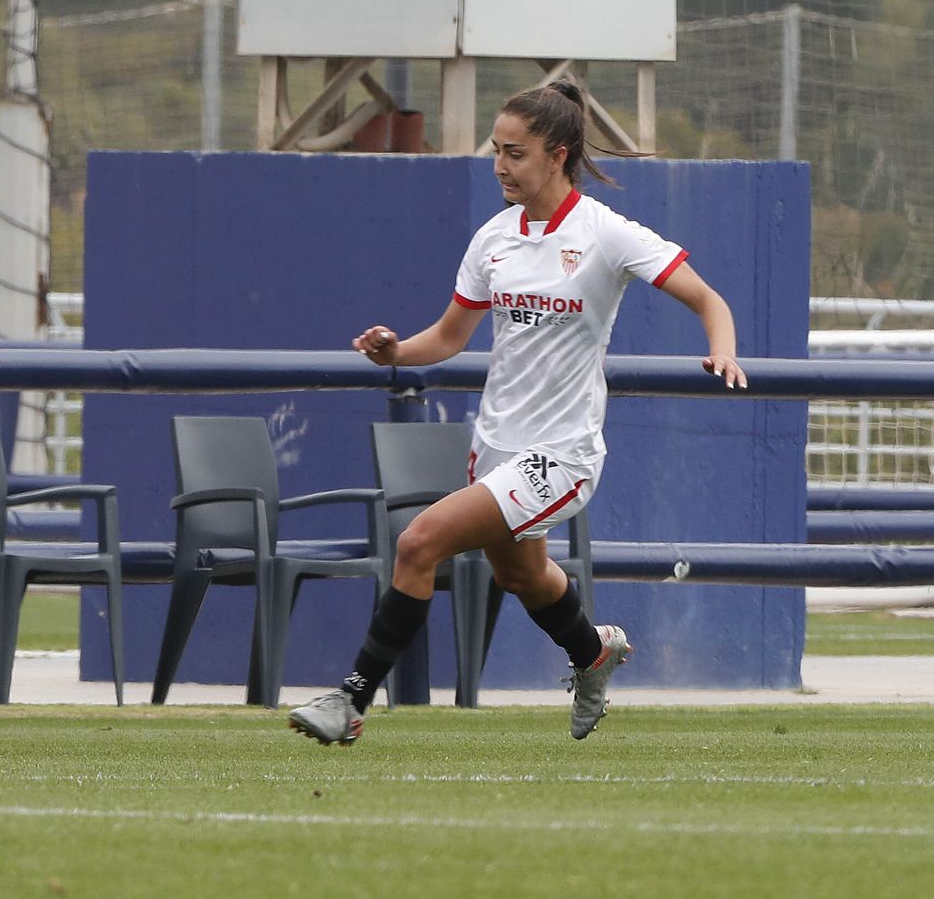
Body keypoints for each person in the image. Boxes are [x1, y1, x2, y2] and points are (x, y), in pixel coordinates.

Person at [288, 81, 749, 746]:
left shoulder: (606, 234)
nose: (501, 166)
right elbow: (448, 338)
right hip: (498, 446)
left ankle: (350, 700)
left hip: (561, 456)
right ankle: (593, 652)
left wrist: (723, 351)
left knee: (419, 543)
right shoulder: (493, 239)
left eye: (516, 153)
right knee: (521, 574)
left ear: (557, 155)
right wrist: (393, 353)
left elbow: (709, 299)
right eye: (496, 152)